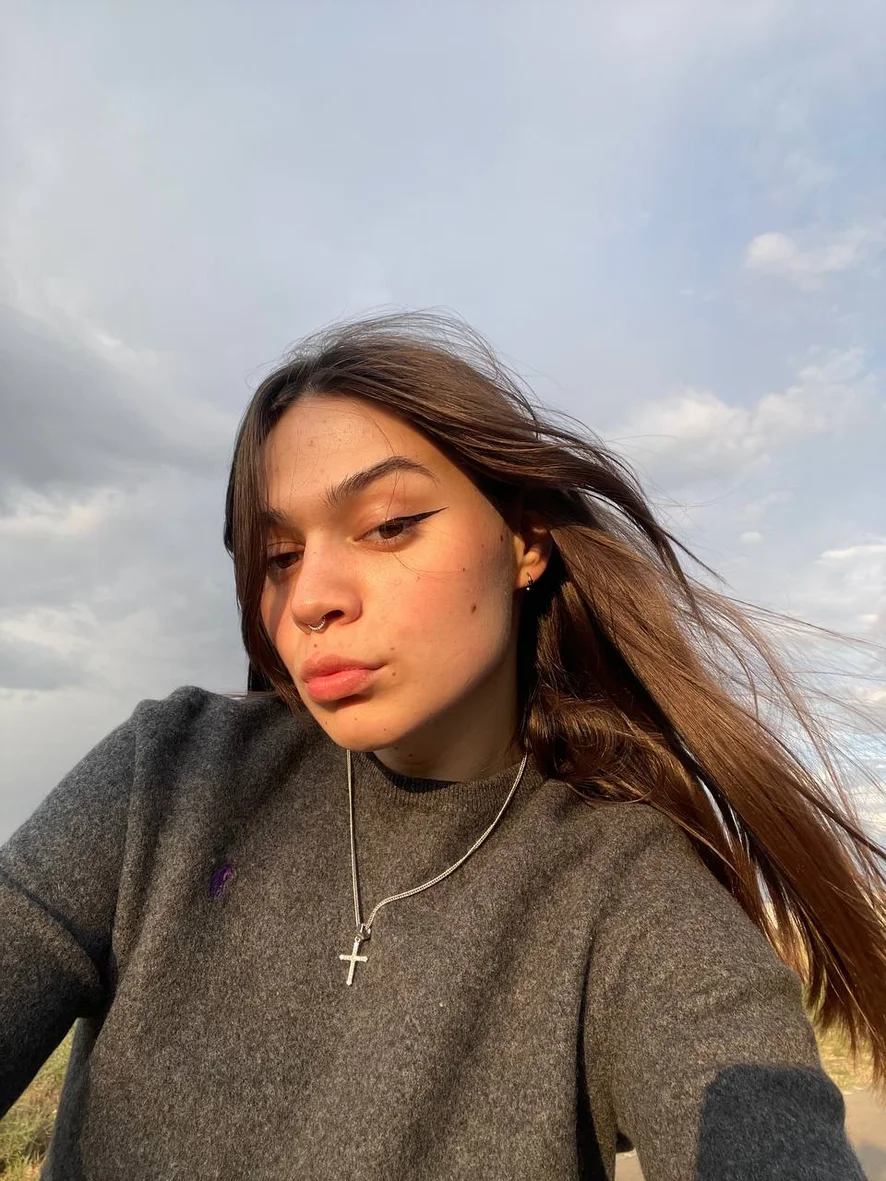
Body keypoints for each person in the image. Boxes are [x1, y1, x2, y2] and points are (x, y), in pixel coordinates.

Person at [1, 312, 883, 1180]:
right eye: (279, 556)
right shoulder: (167, 777)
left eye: (388, 526)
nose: (310, 598)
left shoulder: (625, 892)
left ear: (524, 540)